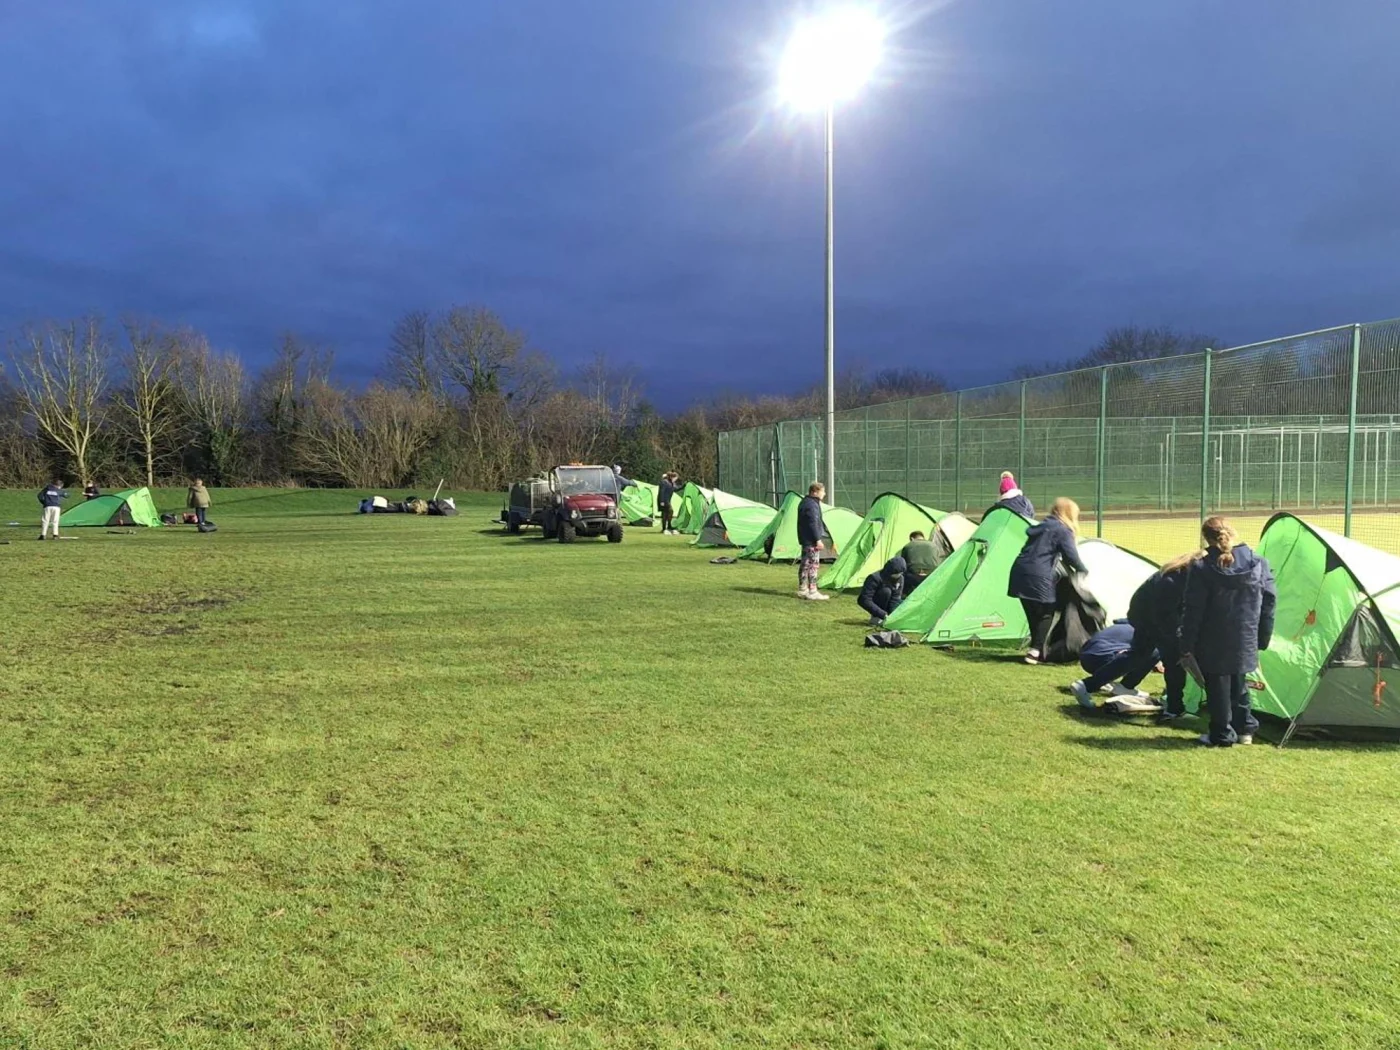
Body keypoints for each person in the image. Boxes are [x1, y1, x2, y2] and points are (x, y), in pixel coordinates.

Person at [1180, 516, 1276, 747]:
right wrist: (1262, 637)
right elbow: (1269, 603)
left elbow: (1193, 609)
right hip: (1246, 634)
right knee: (1239, 684)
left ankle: (1222, 733)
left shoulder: (1202, 568)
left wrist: (1187, 643)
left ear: (1207, 539)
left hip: (1212, 638)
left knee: (1218, 686)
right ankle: (1245, 729)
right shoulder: (1259, 563)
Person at [1008, 497, 1086, 664]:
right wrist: (1083, 570)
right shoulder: (1063, 530)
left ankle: (1036, 650)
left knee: (1032, 613)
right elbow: (1071, 556)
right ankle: (1036, 651)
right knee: (1046, 613)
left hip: (1019, 572)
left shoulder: (1041, 526)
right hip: (1039, 574)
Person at [1070, 620, 1156, 708]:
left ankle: (1122, 687)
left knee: (1141, 652)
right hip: (1102, 658)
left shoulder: (1127, 625)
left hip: (1085, 657)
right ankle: (1087, 685)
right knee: (1154, 652)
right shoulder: (1146, 632)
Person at [796, 482, 829, 601]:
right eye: (822, 491)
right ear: (815, 492)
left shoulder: (804, 502)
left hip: (805, 539)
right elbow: (812, 523)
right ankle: (812, 591)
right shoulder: (812, 505)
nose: (824, 494)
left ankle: (802, 589)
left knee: (805, 564)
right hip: (811, 540)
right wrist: (818, 540)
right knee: (813, 565)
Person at [858, 557, 906, 626]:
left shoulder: (900, 578)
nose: (899, 575)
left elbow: (895, 598)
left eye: (900, 573)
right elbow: (864, 599)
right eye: (896, 573)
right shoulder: (874, 578)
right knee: (886, 591)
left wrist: (894, 615)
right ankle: (876, 618)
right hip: (878, 604)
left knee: (905, 601)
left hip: (888, 609)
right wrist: (882, 614)